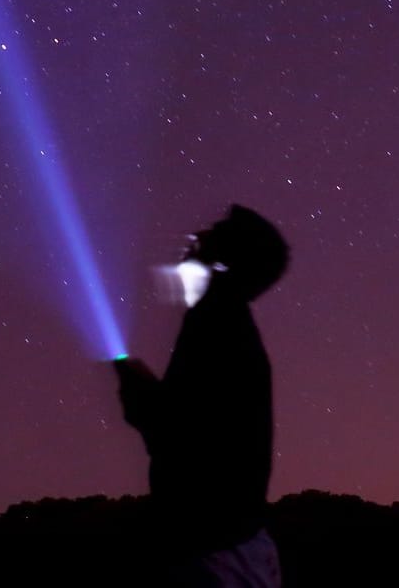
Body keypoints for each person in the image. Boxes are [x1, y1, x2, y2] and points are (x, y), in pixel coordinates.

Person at [114, 204, 289, 588]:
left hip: (216, 556)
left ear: (226, 263)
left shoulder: (218, 325)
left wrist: (142, 399)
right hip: (231, 549)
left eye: (212, 235)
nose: (195, 238)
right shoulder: (222, 323)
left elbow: (179, 437)